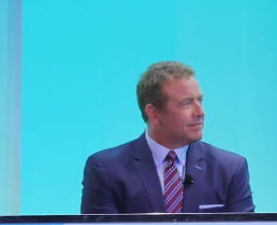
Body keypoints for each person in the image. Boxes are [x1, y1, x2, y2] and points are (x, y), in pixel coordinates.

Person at [81, 61, 255, 214]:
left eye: (200, 101)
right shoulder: (106, 170)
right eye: (186, 103)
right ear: (154, 114)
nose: (200, 112)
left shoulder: (230, 169)